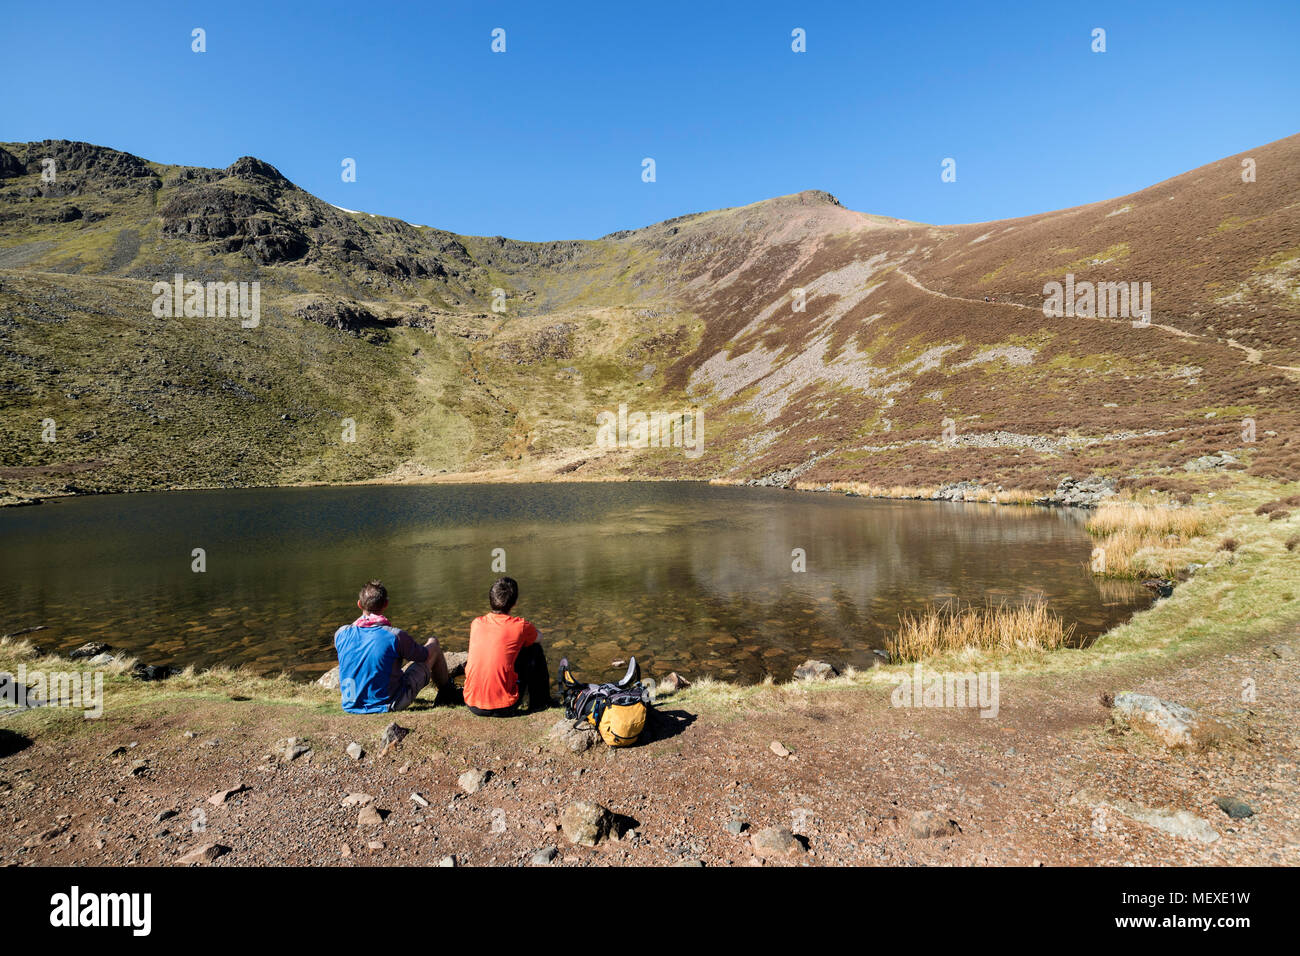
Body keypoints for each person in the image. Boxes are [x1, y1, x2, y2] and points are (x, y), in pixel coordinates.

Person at [333, 579, 455, 714]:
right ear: (385, 605)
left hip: (350, 704)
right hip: (389, 704)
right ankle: (448, 694)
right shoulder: (395, 635)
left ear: (359, 604)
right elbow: (423, 655)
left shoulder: (341, 634)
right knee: (433, 646)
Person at [464, 576, 552, 716]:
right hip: (503, 707)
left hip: (472, 703)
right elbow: (539, 637)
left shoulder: (476, 623)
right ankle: (541, 702)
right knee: (534, 648)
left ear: (491, 599)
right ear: (515, 602)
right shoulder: (520, 626)